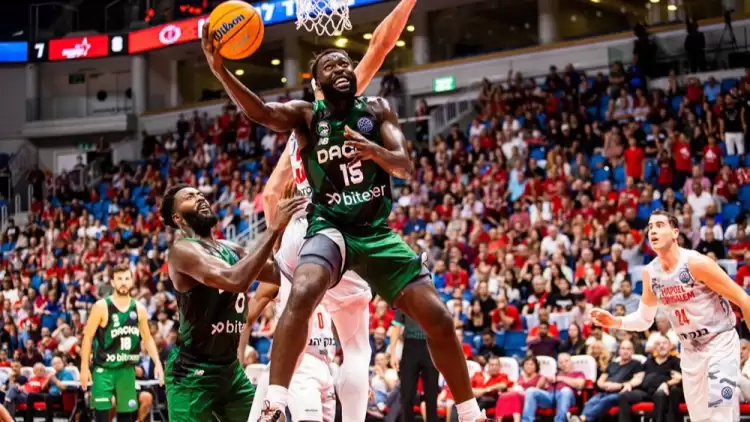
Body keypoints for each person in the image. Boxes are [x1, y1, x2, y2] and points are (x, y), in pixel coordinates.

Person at [202, 22, 483, 422]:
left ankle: (471, 413)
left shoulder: (377, 109)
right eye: (329, 64)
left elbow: (404, 165)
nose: (341, 67)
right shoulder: (306, 116)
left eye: (345, 62)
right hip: (328, 227)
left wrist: (376, 152)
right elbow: (262, 112)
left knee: (437, 315)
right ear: (316, 83)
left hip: (373, 231)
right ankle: (274, 402)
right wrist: (221, 71)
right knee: (303, 291)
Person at [259, 2, 419, 420]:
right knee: (355, 346)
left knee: (291, 333)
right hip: (335, 228)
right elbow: (381, 45)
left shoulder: (299, 133)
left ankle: (269, 406)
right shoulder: (341, 108)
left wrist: (278, 245)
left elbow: (270, 193)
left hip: (298, 234)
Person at [159, 184, 306, 422]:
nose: (199, 197)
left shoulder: (231, 249)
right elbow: (235, 279)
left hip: (229, 371)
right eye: (189, 196)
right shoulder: (182, 251)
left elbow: (282, 273)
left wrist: (297, 231)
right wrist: (273, 229)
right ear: (177, 217)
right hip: (192, 375)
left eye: (200, 193)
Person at [591, 209, 750, 422]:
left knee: (720, 414)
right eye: (650, 227)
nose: (653, 231)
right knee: (701, 419)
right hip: (690, 349)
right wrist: (616, 321)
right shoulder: (651, 274)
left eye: (659, 225)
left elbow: (743, 299)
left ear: (675, 233)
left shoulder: (696, 263)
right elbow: (644, 319)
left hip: (718, 342)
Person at [79, 264, 164, 422]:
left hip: (126, 371)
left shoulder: (139, 309)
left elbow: (147, 338)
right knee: (102, 417)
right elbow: (88, 337)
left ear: (131, 281)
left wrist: (157, 363)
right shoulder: (101, 306)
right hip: (104, 371)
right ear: (113, 282)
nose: (123, 282)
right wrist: (84, 367)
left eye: (126, 279)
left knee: (127, 418)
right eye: (119, 279)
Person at [569, 340, 644, 422]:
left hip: (621, 393)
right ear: (619, 351)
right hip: (606, 391)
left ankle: (582, 419)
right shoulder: (613, 364)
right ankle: (582, 419)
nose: (625, 351)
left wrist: (620, 385)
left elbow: (638, 379)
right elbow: (601, 380)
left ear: (632, 351)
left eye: (628, 349)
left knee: (606, 400)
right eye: (623, 348)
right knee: (591, 402)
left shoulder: (637, 364)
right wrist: (605, 385)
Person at [616, 335, 683, 422]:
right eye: (658, 344)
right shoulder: (649, 361)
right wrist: (629, 384)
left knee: (660, 394)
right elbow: (639, 376)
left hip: (662, 392)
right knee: (624, 396)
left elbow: (678, 378)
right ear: (655, 348)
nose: (661, 346)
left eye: (664, 343)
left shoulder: (675, 361)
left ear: (670, 346)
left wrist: (666, 384)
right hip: (645, 391)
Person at [390, 309, 439, 422]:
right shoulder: (404, 299)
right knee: (406, 395)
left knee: (431, 396)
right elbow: (396, 326)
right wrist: (393, 353)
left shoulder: (434, 298)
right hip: (410, 347)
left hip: (431, 347)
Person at [522, 353, 585, 422]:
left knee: (565, 390)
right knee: (530, 391)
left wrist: (562, 378)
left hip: (568, 397)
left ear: (571, 362)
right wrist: (544, 379)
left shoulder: (578, 373)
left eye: (566, 361)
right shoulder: (556, 374)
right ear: (558, 365)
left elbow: (580, 384)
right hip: (551, 395)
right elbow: (540, 387)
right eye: (561, 362)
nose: (564, 364)